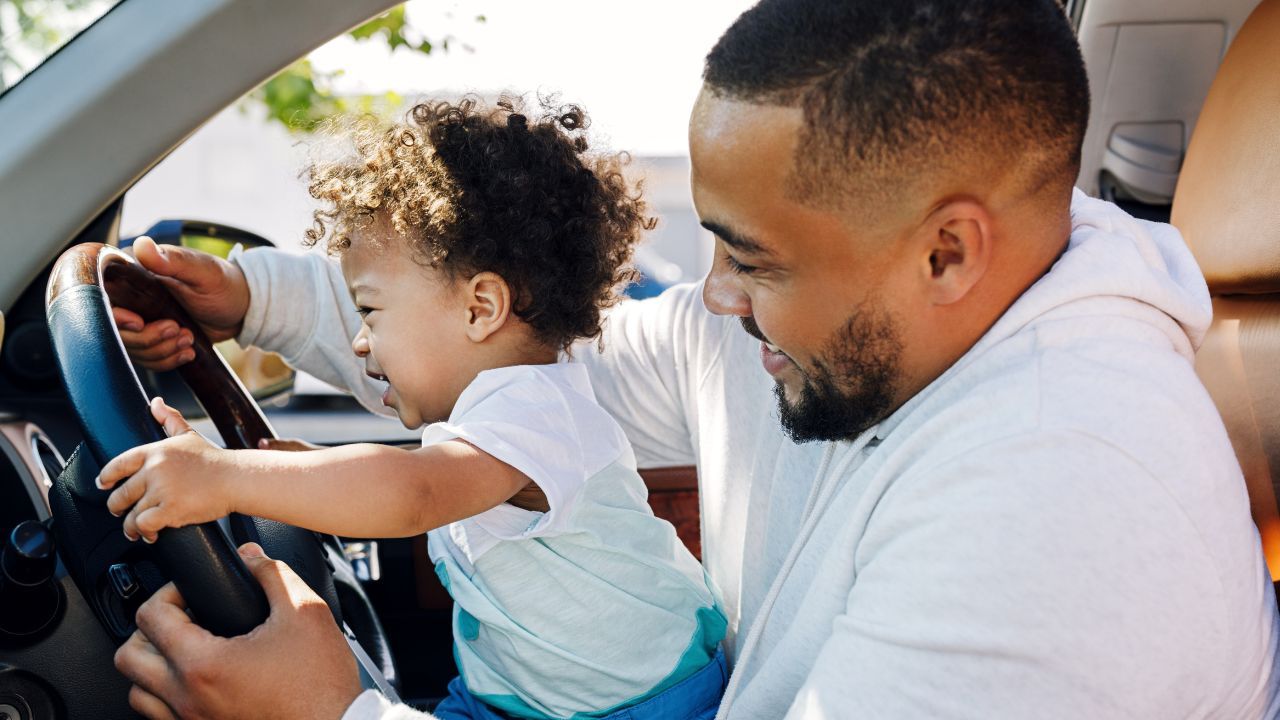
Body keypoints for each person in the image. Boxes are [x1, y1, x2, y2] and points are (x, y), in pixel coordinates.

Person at [113, 0, 1280, 718]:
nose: (712, 296)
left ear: (945, 253)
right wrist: (255, 298)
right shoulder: (828, 326)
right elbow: (522, 352)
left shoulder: (1060, 513)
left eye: (754, 260)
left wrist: (334, 718)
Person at [104, 98, 728, 720]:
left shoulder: (539, 410)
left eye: (370, 311)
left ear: (481, 308)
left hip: (643, 708)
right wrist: (301, 471)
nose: (359, 341)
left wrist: (226, 477)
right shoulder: (488, 424)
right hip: (513, 695)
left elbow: (412, 493)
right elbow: (418, 480)